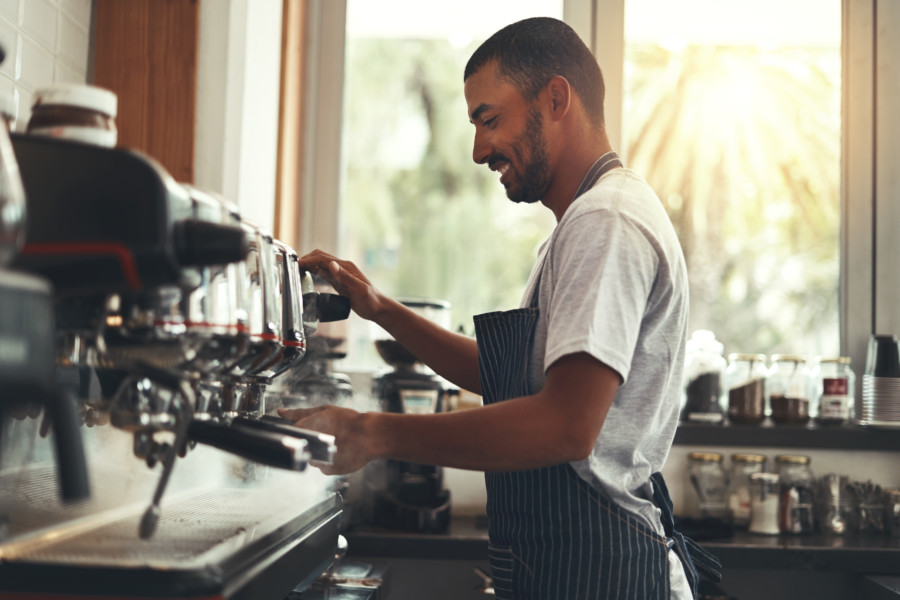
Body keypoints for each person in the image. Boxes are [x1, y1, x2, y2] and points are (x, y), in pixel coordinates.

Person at [284, 16, 720, 600]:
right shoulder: (583, 222)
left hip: (605, 573)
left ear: (556, 98)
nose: (477, 148)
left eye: (489, 119)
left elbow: (566, 426)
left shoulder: (604, 222)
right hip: (574, 567)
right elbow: (511, 381)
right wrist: (380, 308)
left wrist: (374, 432)